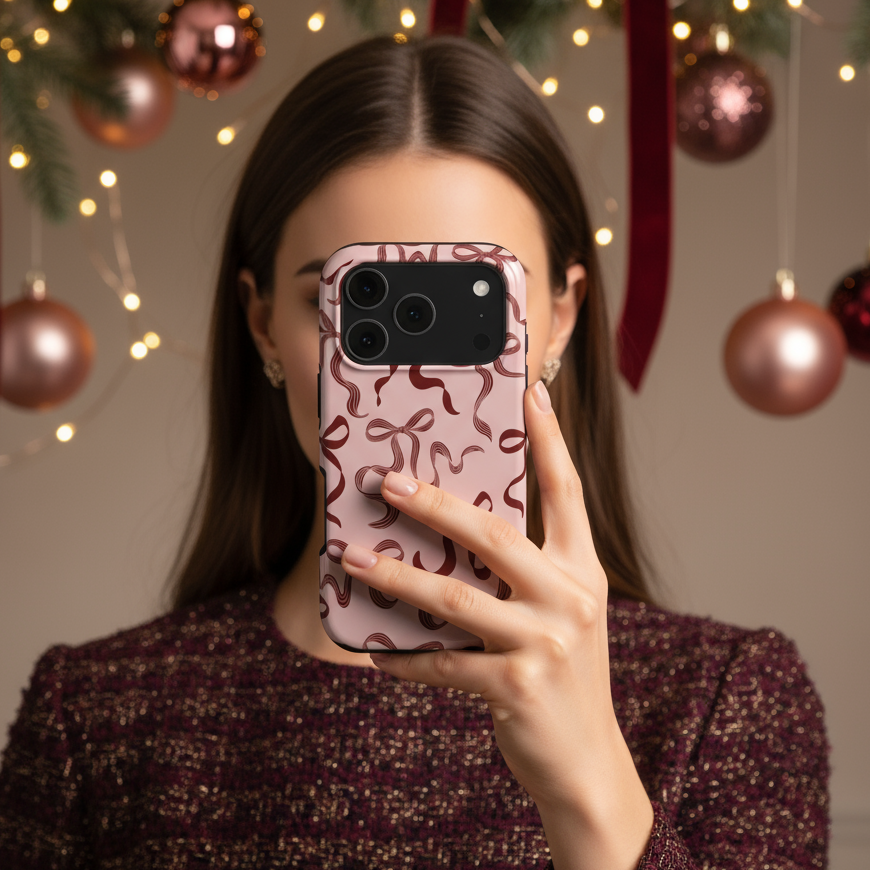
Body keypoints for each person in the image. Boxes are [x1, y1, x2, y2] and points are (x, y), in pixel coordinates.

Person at [0, 35, 829, 869]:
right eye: (357, 303)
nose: (410, 376)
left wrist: (594, 794)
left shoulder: (723, 702)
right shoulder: (96, 717)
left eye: (469, 300)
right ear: (262, 326)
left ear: (563, 315)